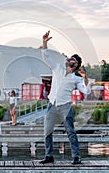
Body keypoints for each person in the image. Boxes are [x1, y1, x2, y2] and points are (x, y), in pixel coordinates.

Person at [39, 30, 91, 165]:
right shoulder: (57, 69)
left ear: (77, 66)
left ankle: (76, 157)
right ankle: (49, 156)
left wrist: (85, 78)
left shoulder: (76, 79)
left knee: (70, 132)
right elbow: (46, 57)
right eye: (71, 58)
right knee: (47, 132)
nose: (71, 60)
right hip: (52, 104)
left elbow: (86, 90)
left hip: (65, 106)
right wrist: (44, 42)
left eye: (74, 60)